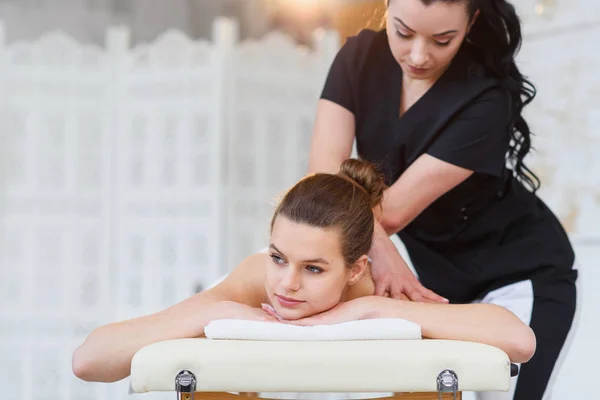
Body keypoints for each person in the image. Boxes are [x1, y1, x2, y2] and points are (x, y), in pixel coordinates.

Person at [305, 0, 578, 399]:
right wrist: (379, 251)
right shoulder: (358, 59)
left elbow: (392, 212)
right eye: (402, 31)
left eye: (442, 40)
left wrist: (375, 244)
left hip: (517, 277)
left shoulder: (486, 99)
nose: (418, 55)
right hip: (434, 281)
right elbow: (322, 180)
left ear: (472, 22)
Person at [72, 159, 536, 385]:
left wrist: (374, 310)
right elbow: (90, 360)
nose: (287, 284)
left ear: (356, 269)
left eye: (313, 268)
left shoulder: (381, 291)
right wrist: (217, 312)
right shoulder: (258, 282)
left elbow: (519, 340)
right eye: (279, 257)